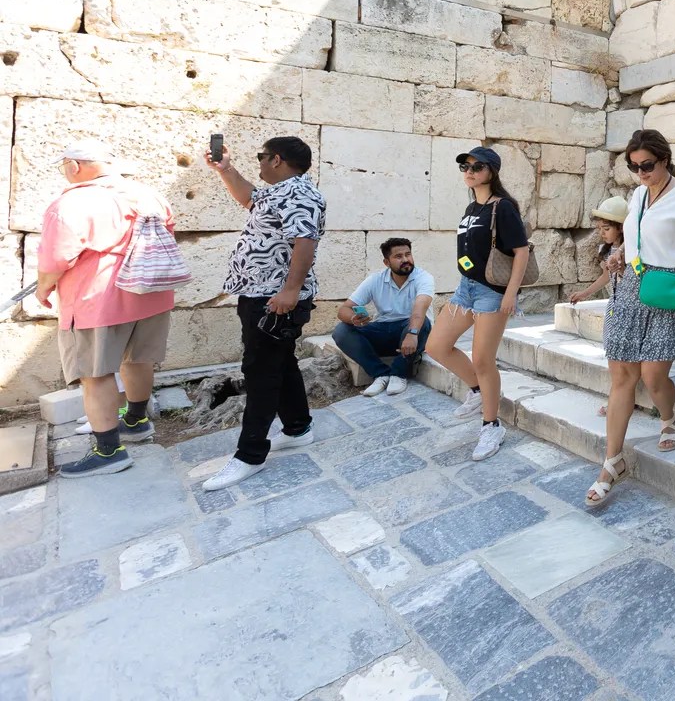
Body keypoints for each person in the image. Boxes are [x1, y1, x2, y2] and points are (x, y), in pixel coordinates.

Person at [586, 130, 675, 506]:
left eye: (647, 165)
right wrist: (621, 253)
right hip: (630, 286)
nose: (640, 173)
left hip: (668, 287)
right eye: (633, 166)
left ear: (664, 159)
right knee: (622, 376)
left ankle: (668, 418)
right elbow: (635, 232)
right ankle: (611, 463)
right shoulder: (638, 194)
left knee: (653, 375)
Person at [37, 140, 175, 478]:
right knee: (138, 358)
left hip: (98, 298)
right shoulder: (148, 194)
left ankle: (108, 450)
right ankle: (137, 421)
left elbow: (56, 257)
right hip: (149, 292)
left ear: (74, 165)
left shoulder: (72, 202)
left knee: (95, 373)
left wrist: (43, 287)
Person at [202, 137, 324, 491]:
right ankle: (298, 428)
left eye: (261, 157)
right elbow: (248, 198)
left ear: (277, 159)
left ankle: (249, 455)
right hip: (258, 293)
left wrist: (289, 291)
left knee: (260, 371)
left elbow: (305, 241)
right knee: (280, 362)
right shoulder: (278, 191)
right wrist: (226, 169)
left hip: (274, 298)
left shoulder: (301, 194)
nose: (258, 163)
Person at [427, 146, 530, 462]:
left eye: (477, 166)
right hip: (466, 288)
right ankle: (476, 390)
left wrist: (510, 293)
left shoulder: (504, 208)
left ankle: (491, 425)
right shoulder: (472, 207)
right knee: (436, 346)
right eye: (465, 166)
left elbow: (521, 251)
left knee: (484, 359)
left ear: (492, 171)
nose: (469, 171)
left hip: (491, 293)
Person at [334, 238, 435, 397]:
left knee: (423, 324)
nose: (405, 260)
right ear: (386, 262)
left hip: (411, 332)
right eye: (398, 256)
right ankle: (380, 374)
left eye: (408, 254)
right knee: (341, 331)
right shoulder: (376, 279)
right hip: (383, 329)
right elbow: (344, 309)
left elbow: (419, 309)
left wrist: (412, 333)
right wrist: (354, 318)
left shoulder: (423, 277)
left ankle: (399, 374)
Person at [568, 196, 628, 304]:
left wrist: (621, 269)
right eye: (599, 229)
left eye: (606, 229)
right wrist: (584, 294)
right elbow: (606, 276)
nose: (602, 233)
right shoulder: (607, 250)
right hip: (616, 302)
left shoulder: (629, 250)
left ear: (621, 227)